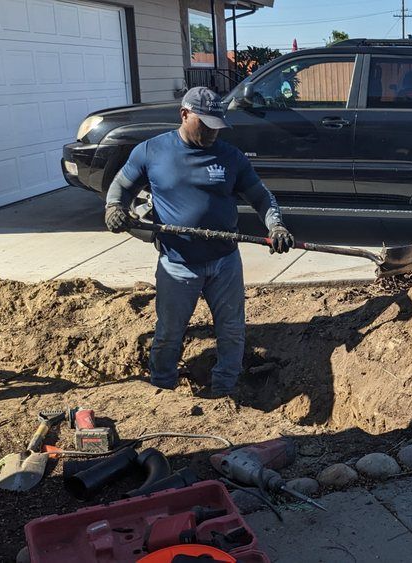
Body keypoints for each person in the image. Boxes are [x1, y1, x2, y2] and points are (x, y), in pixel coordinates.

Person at [103, 86, 293, 397]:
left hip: (225, 263)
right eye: (204, 125)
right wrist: (114, 208)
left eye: (217, 126)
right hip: (178, 265)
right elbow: (121, 186)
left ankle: (224, 389)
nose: (211, 133)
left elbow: (261, 196)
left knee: (231, 332)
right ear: (184, 115)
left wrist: (276, 225)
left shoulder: (230, 157)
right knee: (169, 333)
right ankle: (162, 388)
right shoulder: (152, 151)